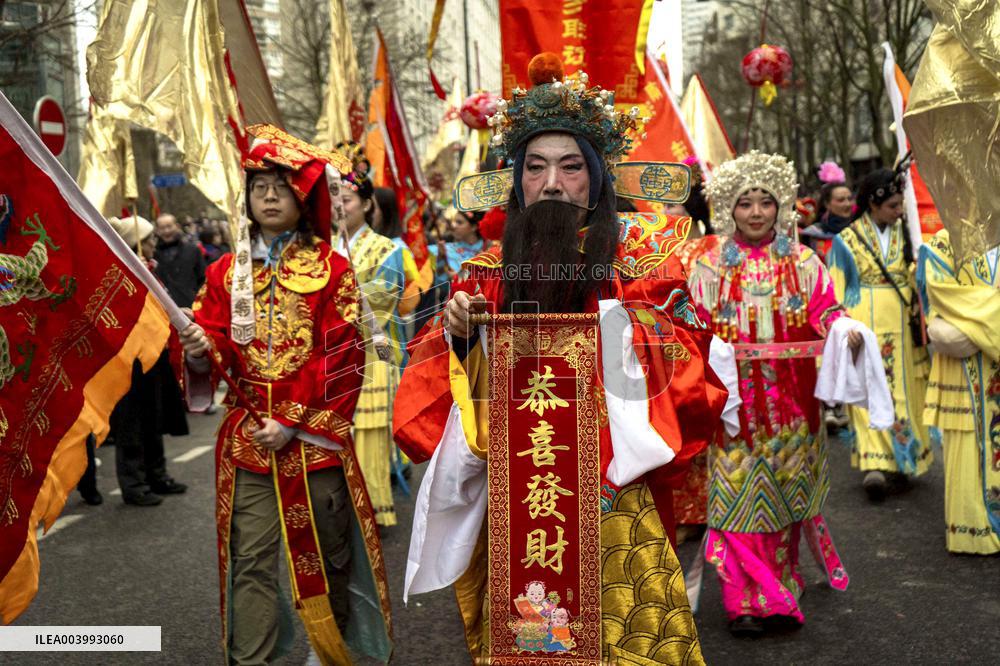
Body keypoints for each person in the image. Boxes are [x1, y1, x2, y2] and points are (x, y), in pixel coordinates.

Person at [394, 53, 737, 664]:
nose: (552, 182)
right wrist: (464, 339)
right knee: (535, 639)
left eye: (571, 167)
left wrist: (625, 334)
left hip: (614, 490)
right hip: (525, 492)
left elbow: (697, 372)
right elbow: (428, 406)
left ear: (598, 177)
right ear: (516, 180)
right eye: (536, 167)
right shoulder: (483, 275)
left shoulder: (647, 264)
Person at [178, 126, 391, 664]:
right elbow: (220, 347)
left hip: (313, 441)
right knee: (250, 558)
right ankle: (254, 658)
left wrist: (294, 422)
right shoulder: (226, 273)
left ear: (303, 198)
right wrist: (202, 348)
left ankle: (328, 651)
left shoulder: (333, 271)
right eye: (259, 187)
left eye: (280, 186)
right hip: (250, 444)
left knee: (326, 553)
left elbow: (342, 358)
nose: (268, 196)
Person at [688, 151, 875, 635]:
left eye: (765, 203)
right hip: (734, 408)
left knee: (786, 494)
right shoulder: (706, 267)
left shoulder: (804, 261)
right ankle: (744, 600)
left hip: (794, 406)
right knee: (737, 494)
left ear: (781, 207)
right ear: (728, 207)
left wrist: (844, 329)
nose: (755, 212)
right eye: (745, 203)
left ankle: (782, 583)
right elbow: (693, 327)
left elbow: (826, 311)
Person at [827, 168, 933, 501]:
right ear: (873, 205)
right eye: (892, 205)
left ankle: (902, 459)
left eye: (901, 204)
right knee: (869, 388)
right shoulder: (846, 240)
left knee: (903, 390)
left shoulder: (910, 235)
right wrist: (844, 326)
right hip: (864, 322)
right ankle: (875, 464)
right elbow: (835, 286)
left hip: (902, 323)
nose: (899, 211)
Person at [918, 230, 1000, 554]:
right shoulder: (943, 240)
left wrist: (976, 318)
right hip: (967, 363)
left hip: (976, 345)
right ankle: (972, 528)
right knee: (968, 438)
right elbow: (940, 292)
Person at [337, 173, 406, 527]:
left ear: (365, 204)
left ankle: (371, 510)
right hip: (326, 358)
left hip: (367, 357)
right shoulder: (317, 249)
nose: (338, 206)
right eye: (331, 198)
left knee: (368, 436)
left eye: (345, 199)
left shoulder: (388, 250)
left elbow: (378, 305)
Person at [154, 213, 206, 308]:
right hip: (164, 310)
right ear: (157, 231)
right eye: (162, 228)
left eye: (169, 226)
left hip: (191, 307)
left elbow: (203, 279)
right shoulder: (153, 255)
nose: (166, 231)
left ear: (177, 226)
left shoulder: (193, 250)